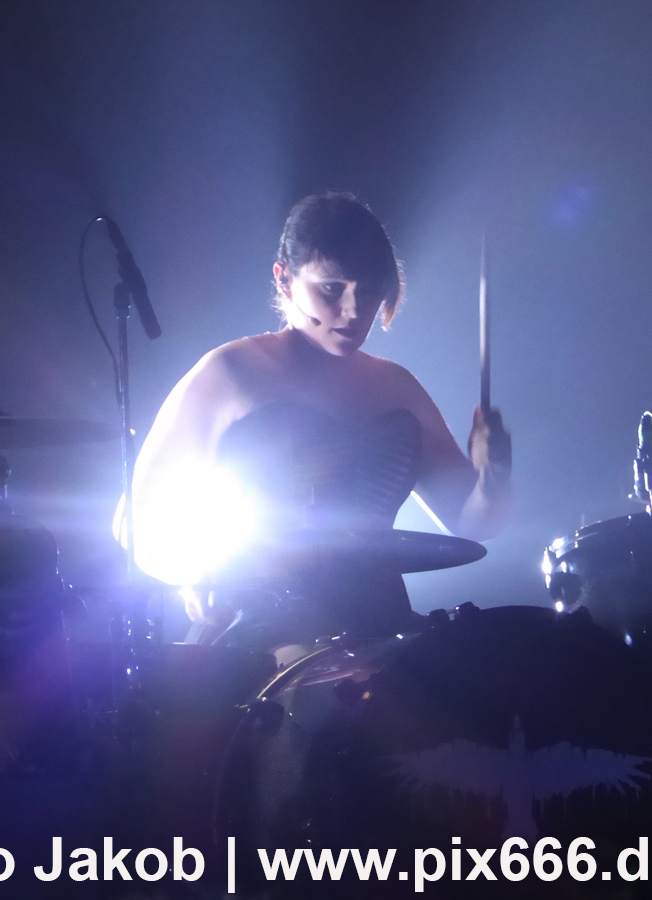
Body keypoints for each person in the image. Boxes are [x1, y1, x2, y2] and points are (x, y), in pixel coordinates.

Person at [124, 192, 511, 646]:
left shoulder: (397, 386)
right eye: (331, 288)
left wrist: (494, 474)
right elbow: (134, 524)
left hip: (382, 633)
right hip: (261, 637)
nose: (354, 310)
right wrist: (197, 570)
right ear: (284, 279)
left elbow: (473, 524)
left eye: (368, 290)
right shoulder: (229, 373)